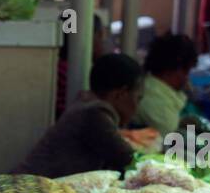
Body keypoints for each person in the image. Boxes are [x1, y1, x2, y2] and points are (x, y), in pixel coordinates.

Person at [15, 53, 144, 179]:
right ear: (120, 94)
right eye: (138, 98)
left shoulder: (87, 106)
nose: (137, 107)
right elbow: (131, 161)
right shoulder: (95, 115)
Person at [135, 34, 199, 136]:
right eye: (186, 72)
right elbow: (174, 139)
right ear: (170, 70)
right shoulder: (156, 101)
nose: (187, 78)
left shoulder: (156, 87)